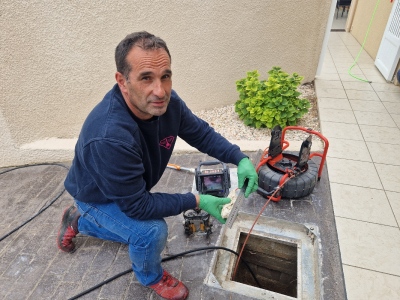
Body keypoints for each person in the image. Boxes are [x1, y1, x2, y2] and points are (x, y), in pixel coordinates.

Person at [57, 31, 258, 300]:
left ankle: (77, 221)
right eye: (146, 78)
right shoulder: (110, 136)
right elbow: (138, 206)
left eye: (165, 76)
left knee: (134, 233)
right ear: (122, 81)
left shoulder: (166, 104)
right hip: (96, 197)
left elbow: (201, 133)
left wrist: (240, 158)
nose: (160, 90)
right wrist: (197, 200)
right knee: (151, 232)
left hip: (124, 192)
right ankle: (149, 276)